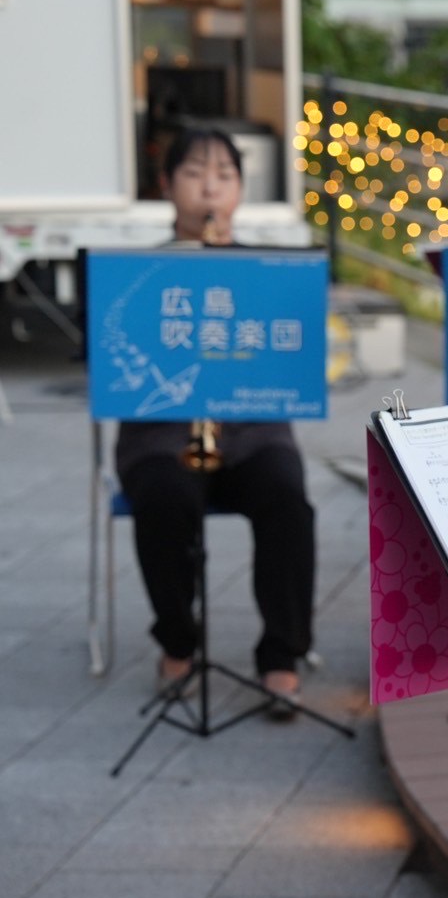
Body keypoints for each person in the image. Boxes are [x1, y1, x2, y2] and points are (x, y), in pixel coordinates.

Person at [115, 127, 317, 712]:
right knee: (163, 499)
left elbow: (295, 357)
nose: (210, 189)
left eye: (225, 176)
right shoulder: (138, 276)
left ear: (240, 191)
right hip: (161, 435)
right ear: (166, 185)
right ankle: (178, 642)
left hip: (253, 433)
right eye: (195, 174)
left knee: (288, 498)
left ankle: (282, 655)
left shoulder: (267, 271)